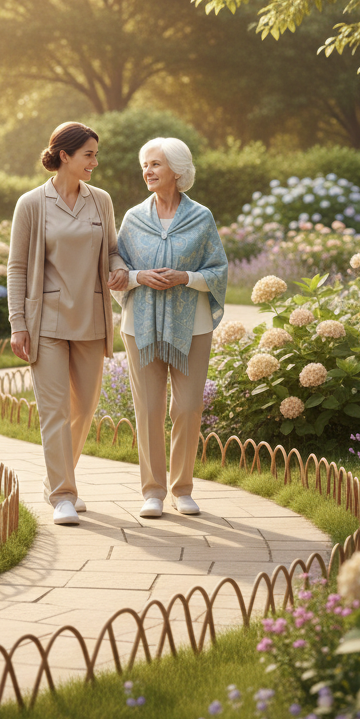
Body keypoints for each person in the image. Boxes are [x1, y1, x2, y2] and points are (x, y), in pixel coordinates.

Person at [7, 122, 128, 525]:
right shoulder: (31, 204)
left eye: (95, 153)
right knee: (54, 410)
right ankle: (62, 493)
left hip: (92, 317)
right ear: (65, 156)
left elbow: (112, 250)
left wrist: (118, 269)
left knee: (84, 409)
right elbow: (17, 268)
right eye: (89, 154)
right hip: (47, 323)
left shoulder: (101, 201)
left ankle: (57, 479)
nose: (95, 161)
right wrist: (17, 323)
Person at [114, 137, 227, 518]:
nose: (148, 171)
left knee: (188, 407)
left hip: (191, 327)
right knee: (147, 408)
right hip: (139, 327)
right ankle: (153, 491)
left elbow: (218, 270)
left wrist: (186, 277)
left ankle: (182, 488)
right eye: (145, 164)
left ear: (177, 171)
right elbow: (116, 271)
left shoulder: (202, 218)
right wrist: (138, 276)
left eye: (156, 164)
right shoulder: (132, 218)